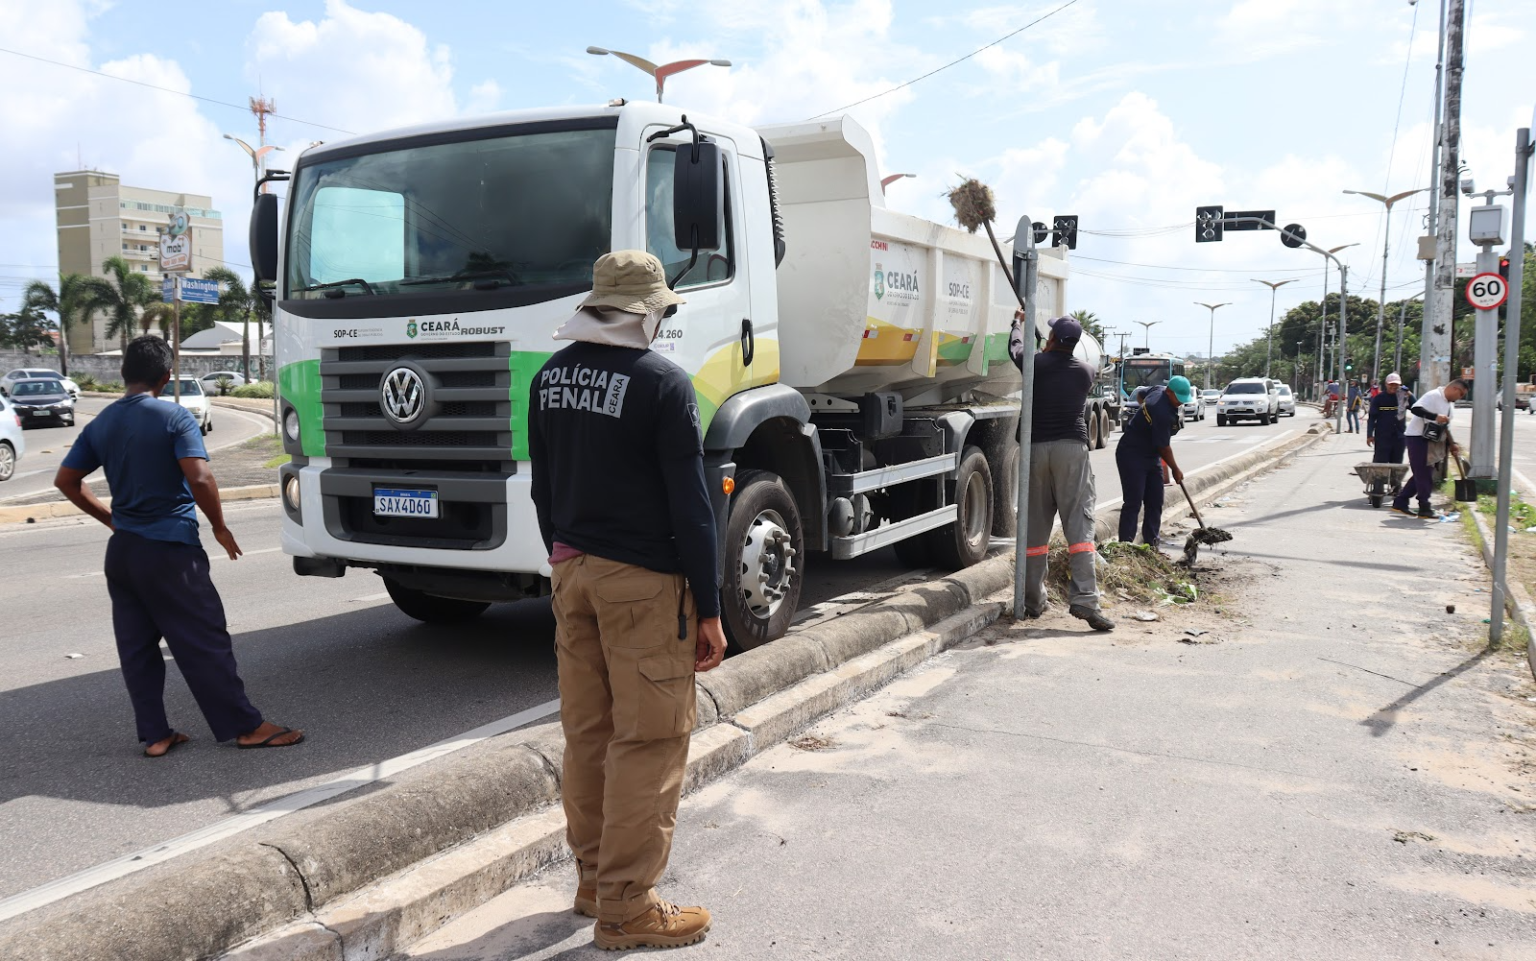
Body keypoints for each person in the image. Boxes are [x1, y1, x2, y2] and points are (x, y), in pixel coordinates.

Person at [528, 250, 727, 952]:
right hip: (642, 582)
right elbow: (692, 505)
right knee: (649, 738)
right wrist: (709, 605)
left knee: (588, 733)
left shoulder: (549, 377)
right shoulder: (664, 385)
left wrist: (565, 559)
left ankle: (592, 883)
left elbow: (543, 489)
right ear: (647, 311)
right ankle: (628, 906)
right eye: (663, 312)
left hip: (571, 570)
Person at [52, 336, 303, 757]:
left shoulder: (100, 423)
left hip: (123, 553)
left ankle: (156, 735)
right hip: (169, 550)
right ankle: (246, 727)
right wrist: (219, 527)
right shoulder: (174, 417)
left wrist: (112, 520)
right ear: (167, 376)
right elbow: (200, 478)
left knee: (136, 646)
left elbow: (66, 481)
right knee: (205, 639)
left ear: (122, 374)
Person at [1008, 312, 1114, 632]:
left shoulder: (1035, 365)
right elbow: (1052, 358)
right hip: (1072, 449)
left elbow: (1016, 351)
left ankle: (1031, 600)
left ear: (1052, 339)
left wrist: (1018, 325)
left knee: (1035, 531)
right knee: (1079, 529)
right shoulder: (1086, 371)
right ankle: (1085, 600)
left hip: (1036, 449)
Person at [1116, 375, 1191, 551]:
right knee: (1133, 502)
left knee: (1155, 500)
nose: (1180, 403)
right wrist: (1176, 469)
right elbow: (1164, 448)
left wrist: (1145, 417)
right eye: (1178, 399)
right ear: (1169, 392)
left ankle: (1151, 546)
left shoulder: (1157, 391)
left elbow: (1141, 394)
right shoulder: (1161, 411)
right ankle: (1125, 548)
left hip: (1151, 455)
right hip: (1131, 454)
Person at [1391, 378, 1468, 519]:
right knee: (1424, 474)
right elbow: (1415, 408)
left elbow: (1446, 427)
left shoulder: (1449, 405)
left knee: (1422, 473)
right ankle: (1424, 506)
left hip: (1432, 441)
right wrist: (1435, 416)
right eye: (1461, 394)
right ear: (1455, 389)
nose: (1460, 398)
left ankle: (1400, 502)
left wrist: (1452, 444)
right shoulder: (1434, 395)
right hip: (1417, 438)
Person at [1366, 371, 1413, 464]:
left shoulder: (1403, 397)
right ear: (1386, 384)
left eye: (1396, 385)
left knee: (1396, 464)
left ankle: (1394, 479)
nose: (1393, 387)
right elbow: (1372, 418)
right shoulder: (1379, 398)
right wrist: (1369, 434)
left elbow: (1416, 407)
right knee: (1380, 463)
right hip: (1382, 437)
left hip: (1399, 437)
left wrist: (1410, 395)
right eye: (1391, 384)